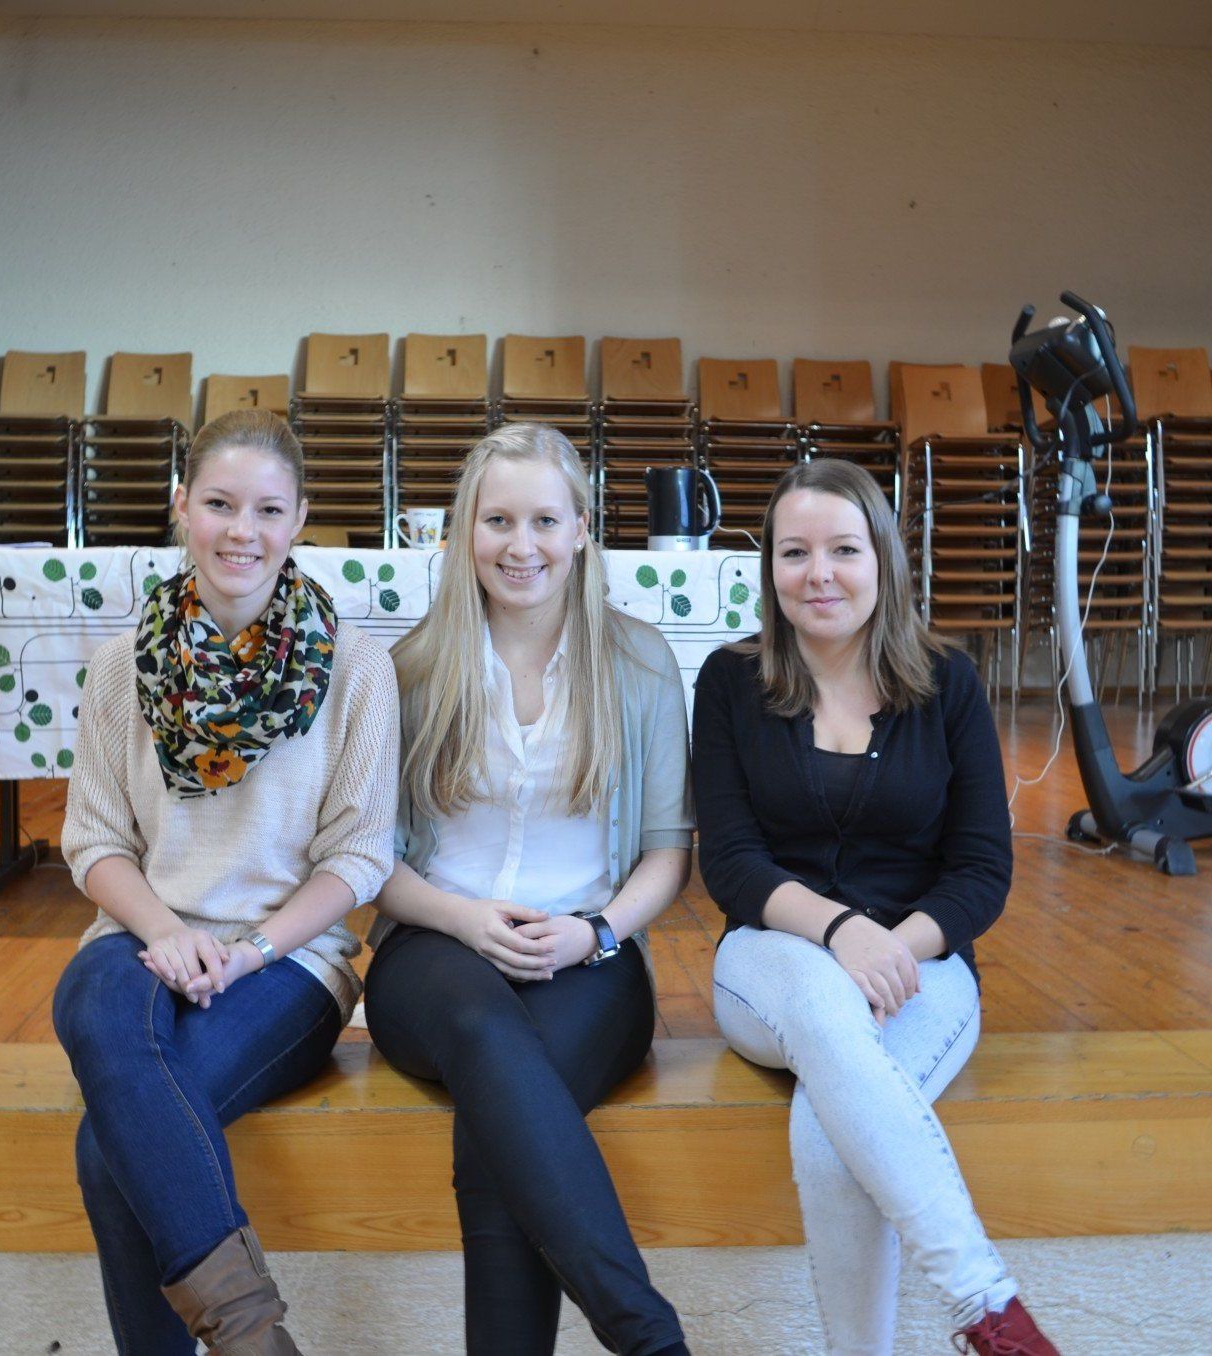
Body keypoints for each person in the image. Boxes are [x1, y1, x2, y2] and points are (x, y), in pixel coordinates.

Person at [691, 458, 1058, 1356]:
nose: (818, 574)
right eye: (794, 552)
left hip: (922, 967)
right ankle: (987, 1308)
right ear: (769, 568)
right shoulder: (731, 682)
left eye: (843, 549)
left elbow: (980, 871)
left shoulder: (949, 682)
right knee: (821, 1000)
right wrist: (840, 934)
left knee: (827, 1135)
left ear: (885, 560)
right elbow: (732, 863)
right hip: (771, 961)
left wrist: (893, 948)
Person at [53, 409, 399, 1355]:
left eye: (267, 510)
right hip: (140, 939)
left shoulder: (357, 669)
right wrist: (164, 932)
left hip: (290, 962)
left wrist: (245, 952)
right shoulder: (120, 666)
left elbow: (360, 856)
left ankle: (247, 1336)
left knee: (108, 1146)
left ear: (299, 522)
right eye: (218, 504)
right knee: (94, 1002)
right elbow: (92, 841)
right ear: (181, 508)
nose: (241, 531)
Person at [362, 423, 692, 1356]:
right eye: (497, 520)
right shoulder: (413, 669)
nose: (522, 545)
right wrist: (462, 918)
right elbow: (370, 862)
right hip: (434, 949)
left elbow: (668, 854)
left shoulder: (640, 662)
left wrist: (595, 932)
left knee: (497, 1122)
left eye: (545, 519)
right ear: (464, 532)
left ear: (582, 530)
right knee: (482, 1032)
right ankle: (649, 1336)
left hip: (591, 956)